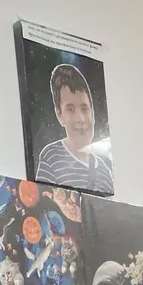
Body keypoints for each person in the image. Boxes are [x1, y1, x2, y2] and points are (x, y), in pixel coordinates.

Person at [35, 64, 113, 194]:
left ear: (92, 113)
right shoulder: (51, 156)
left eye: (84, 109)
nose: (81, 119)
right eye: (70, 110)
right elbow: (44, 200)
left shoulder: (105, 173)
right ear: (59, 115)